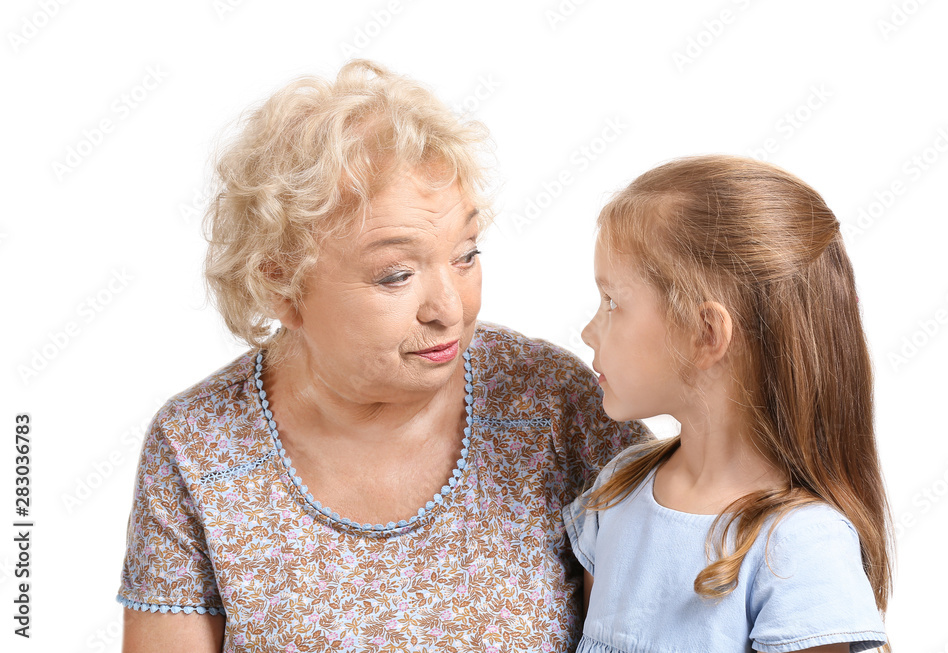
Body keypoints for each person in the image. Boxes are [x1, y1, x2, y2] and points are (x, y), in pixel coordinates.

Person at [116, 59, 649, 652]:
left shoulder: (553, 404)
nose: (448, 307)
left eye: (466, 254)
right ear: (281, 285)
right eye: (396, 275)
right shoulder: (197, 446)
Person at [563, 155, 893, 652]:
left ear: (705, 334)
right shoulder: (617, 491)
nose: (589, 329)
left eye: (612, 302)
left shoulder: (800, 547)